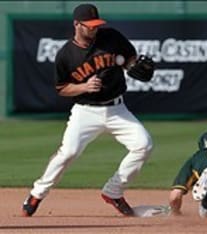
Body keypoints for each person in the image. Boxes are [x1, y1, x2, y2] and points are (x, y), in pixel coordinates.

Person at [22, 3, 155, 217]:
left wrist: (133, 66)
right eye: (89, 25)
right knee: (69, 153)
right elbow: (62, 88)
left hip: (117, 108)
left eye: (96, 24)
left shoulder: (110, 37)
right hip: (86, 112)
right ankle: (37, 193)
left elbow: (129, 57)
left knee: (144, 145)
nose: (94, 29)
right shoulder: (66, 54)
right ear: (77, 25)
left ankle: (113, 192)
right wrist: (84, 87)